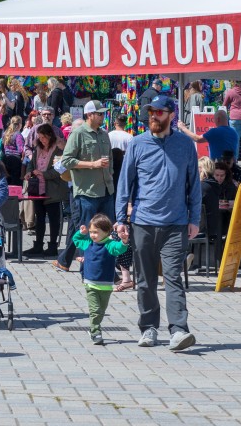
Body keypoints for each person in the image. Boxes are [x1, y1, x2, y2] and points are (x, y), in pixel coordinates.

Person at [115, 95, 201, 352]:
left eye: (160, 112)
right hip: (143, 221)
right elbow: (124, 182)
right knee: (145, 279)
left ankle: (178, 330)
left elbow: (194, 184)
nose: (154, 116)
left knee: (173, 277)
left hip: (176, 223)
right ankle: (149, 327)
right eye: (151, 111)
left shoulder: (185, 145)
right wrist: (121, 219)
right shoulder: (138, 144)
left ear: (171, 115)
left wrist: (194, 218)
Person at [52, 100, 114, 273]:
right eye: (99, 113)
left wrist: (110, 175)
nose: (102, 116)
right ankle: (86, 268)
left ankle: (104, 266)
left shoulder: (104, 134)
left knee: (107, 231)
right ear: (89, 115)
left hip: (106, 190)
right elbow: (67, 160)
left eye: (103, 113)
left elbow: (110, 159)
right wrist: (92, 164)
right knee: (86, 230)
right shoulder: (78, 133)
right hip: (86, 191)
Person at [72, 214, 130, 345]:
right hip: (90, 284)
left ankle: (94, 327)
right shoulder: (88, 243)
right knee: (95, 310)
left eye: (96, 232)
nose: (93, 235)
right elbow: (76, 240)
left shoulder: (110, 245)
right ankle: (95, 332)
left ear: (107, 231)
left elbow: (119, 248)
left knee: (101, 310)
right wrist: (81, 233)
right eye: (91, 232)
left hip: (106, 285)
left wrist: (124, 241)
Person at [21, 124, 68, 257]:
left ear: (50, 136)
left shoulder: (58, 150)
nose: (42, 140)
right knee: (39, 217)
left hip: (53, 189)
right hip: (38, 189)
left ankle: (53, 246)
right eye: (40, 137)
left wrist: (44, 174)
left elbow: (60, 169)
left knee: (53, 218)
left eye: (44, 137)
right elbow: (32, 164)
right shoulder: (37, 148)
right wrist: (29, 172)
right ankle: (38, 245)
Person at [1, 115, 26, 186]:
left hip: (5, 159)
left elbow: (3, 148)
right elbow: (21, 149)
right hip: (15, 160)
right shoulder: (18, 135)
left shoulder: (5, 134)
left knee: (7, 182)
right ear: (19, 124)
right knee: (16, 183)